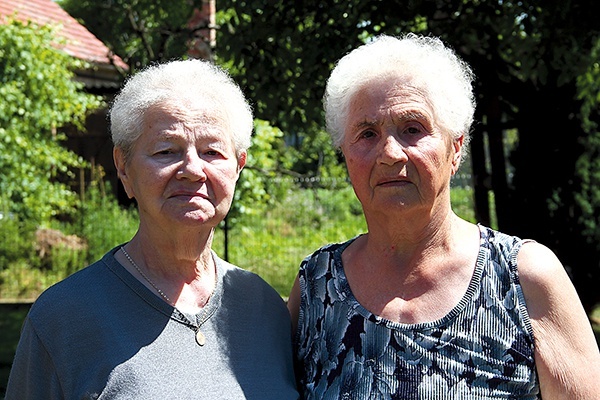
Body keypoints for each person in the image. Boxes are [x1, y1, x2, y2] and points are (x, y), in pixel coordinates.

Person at [288, 34, 600, 399]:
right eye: (367, 133)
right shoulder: (316, 286)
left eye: (412, 129)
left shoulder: (525, 278)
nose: (390, 153)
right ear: (346, 155)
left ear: (455, 149)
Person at [6, 59, 299, 399]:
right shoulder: (63, 319)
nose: (193, 169)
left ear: (238, 167)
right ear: (124, 168)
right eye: (166, 150)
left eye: (212, 152)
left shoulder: (264, 307)